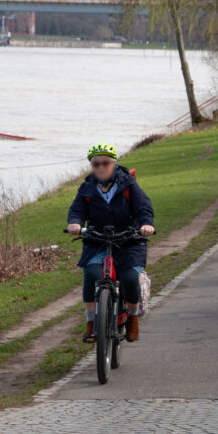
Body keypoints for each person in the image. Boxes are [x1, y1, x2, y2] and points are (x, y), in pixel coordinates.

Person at [67, 143, 156, 343]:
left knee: (130, 278)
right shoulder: (87, 187)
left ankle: (132, 318)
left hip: (129, 239)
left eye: (105, 163)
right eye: (96, 164)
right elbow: (77, 209)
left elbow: (143, 208)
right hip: (97, 239)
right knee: (91, 274)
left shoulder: (128, 184)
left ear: (114, 164)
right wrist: (75, 223)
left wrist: (146, 225)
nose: (100, 167)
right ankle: (91, 323)